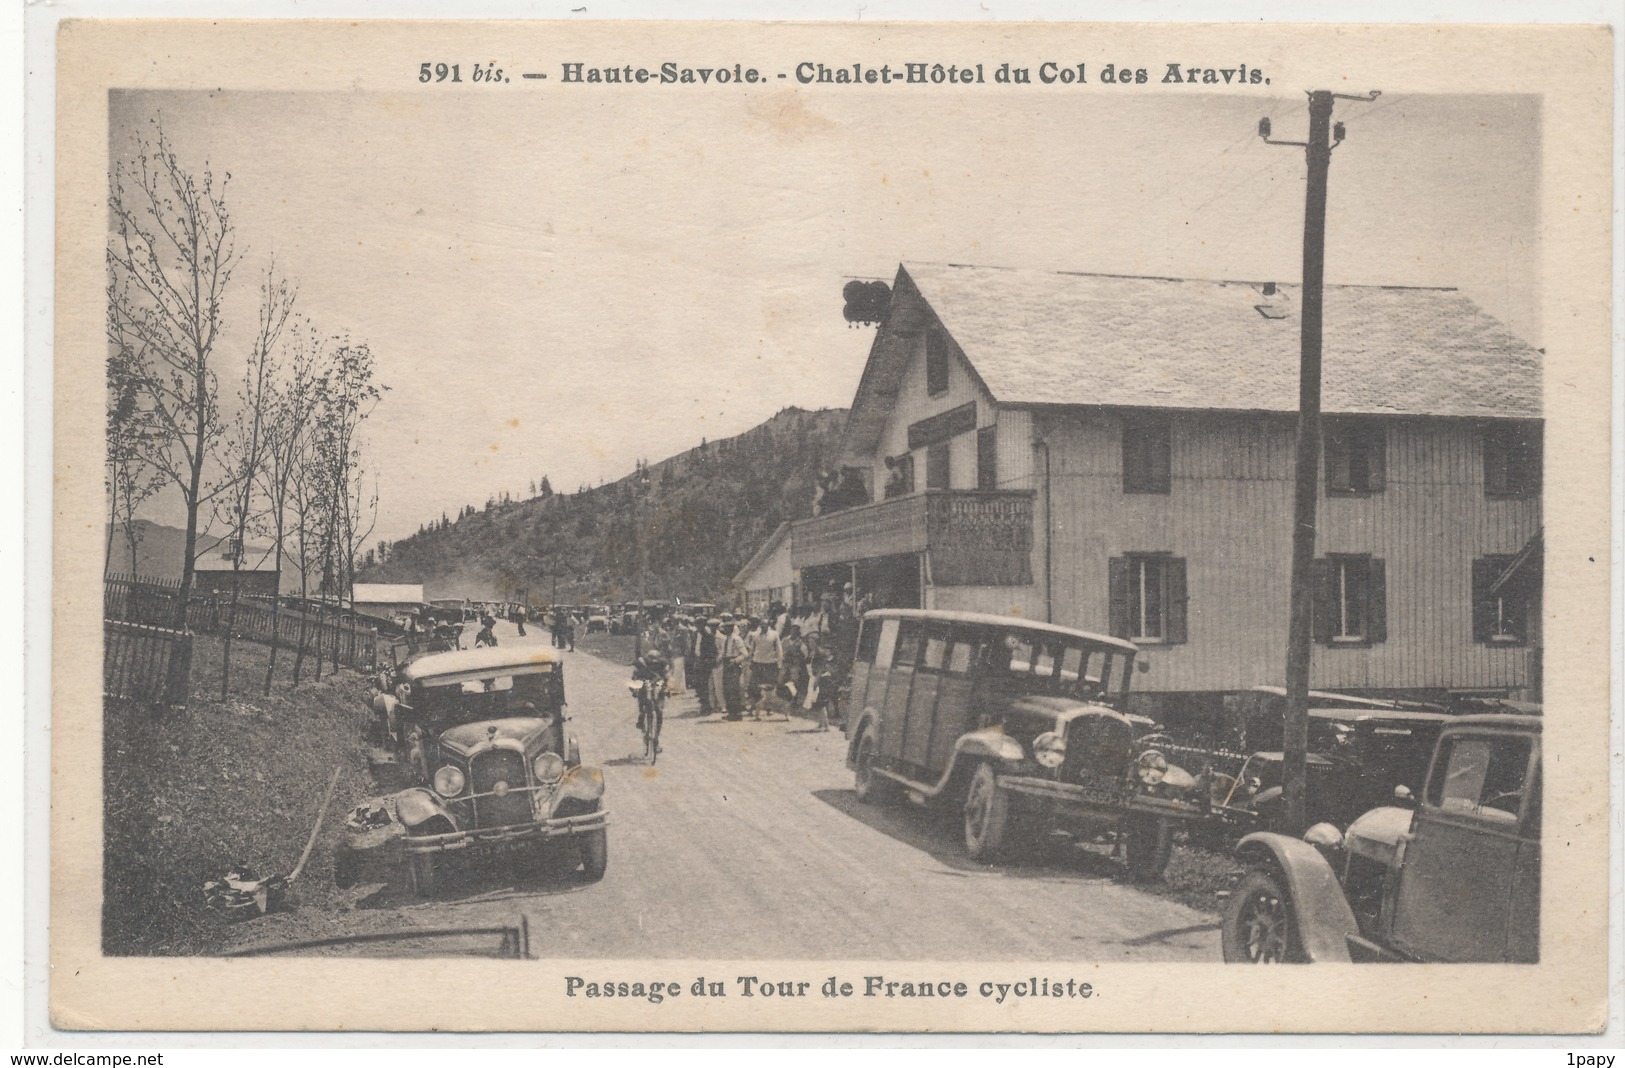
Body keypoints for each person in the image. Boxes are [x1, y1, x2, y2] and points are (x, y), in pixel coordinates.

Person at [746, 617, 782, 720]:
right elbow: (752, 649)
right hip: (757, 663)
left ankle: (769, 708)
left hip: (770, 664)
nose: (763, 627)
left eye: (765, 625)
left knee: (769, 687)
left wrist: (779, 664)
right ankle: (754, 707)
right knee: (754, 687)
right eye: (761, 626)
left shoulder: (774, 634)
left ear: (768, 625)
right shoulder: (755, 635)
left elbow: (779, 649)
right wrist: (751, 661)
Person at [630, 649, 668, 744]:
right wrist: (634, 689)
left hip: (657, 689)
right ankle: (642, 717)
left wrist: (667, 689)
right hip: (645, 688)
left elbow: (666, 679)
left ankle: (656, 737)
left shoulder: (663, 666)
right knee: (643, 700)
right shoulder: (641, 665)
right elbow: (634, 679)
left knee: (659, 712)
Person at [719, 620, 747, 721]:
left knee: (734, 689)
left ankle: (737, 713)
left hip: (734, 665)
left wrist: (735, 661)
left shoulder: (737, 639)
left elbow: (744, 654)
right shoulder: (726, 639)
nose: (725, 630)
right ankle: (731, 712)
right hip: (726, 664)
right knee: (727, 689)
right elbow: (724, 652)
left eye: (727, 628)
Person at [692, 617, 719, 715]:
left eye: (699, 625)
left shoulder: (709, 636)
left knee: (705, 686)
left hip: (705, 664)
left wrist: (707, 661)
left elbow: (713, 651)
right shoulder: (697, 635)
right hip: (698, 662)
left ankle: (706, 708)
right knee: (699, 686)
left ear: (703, 625)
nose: (697, 627)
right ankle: (704, 706)